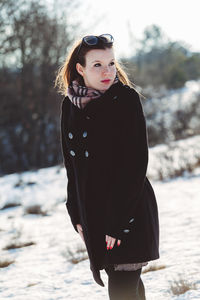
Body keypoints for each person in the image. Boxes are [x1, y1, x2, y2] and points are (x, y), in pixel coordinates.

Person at [55, 33, 160, 300]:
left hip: (128, 212)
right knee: (126, 285)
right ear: (80, 69)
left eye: (111, 63)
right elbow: (72, 165)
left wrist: (118, 222)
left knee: (123, 286)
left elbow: (136, 165)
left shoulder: (125, 100)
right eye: (98, 65)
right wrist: (75, 212)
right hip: (95, 214)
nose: (108, 71)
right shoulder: (70, 106)